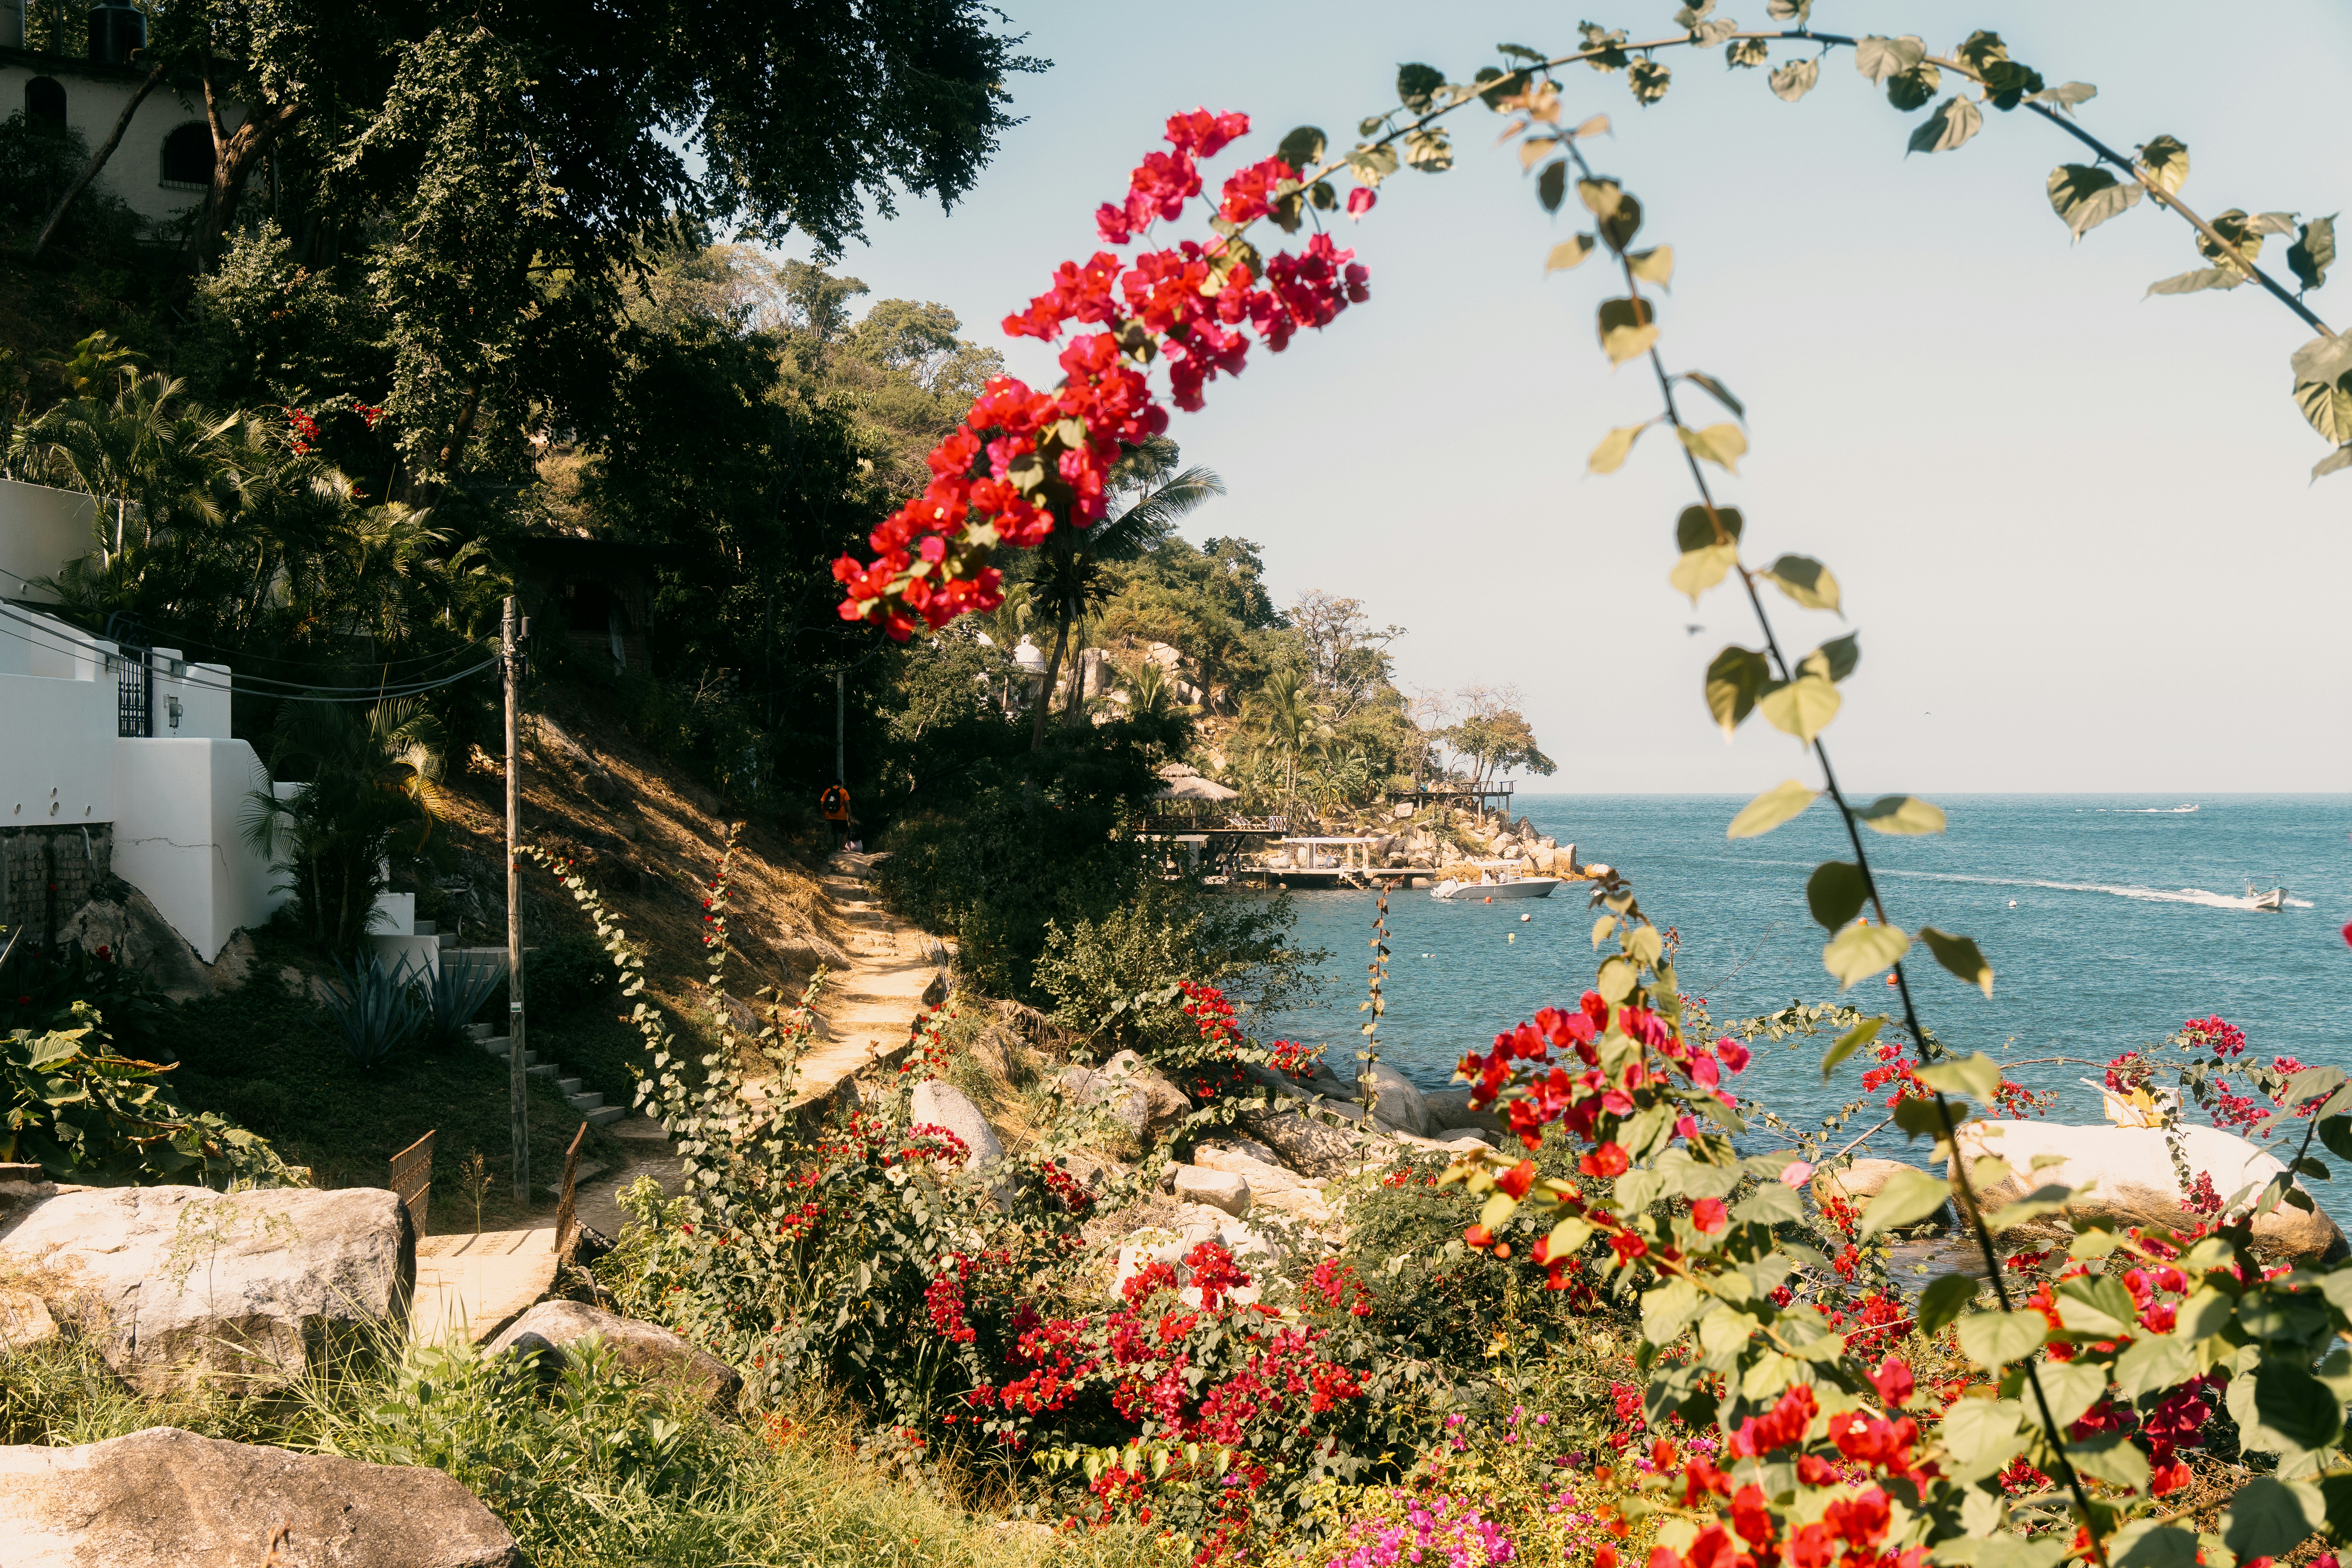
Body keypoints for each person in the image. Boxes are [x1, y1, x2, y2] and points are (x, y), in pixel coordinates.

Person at [821, 783, 851, 848]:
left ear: (833, 784)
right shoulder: (844, 791)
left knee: (831, 833)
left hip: (829, 816)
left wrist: (823, 815)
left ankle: (831, 849)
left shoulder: (828, 791)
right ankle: (841, 850)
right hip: (841, 817)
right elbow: (847, 804)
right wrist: (850, 816)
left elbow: (823, 804)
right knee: (845, 832)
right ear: (840, 785)